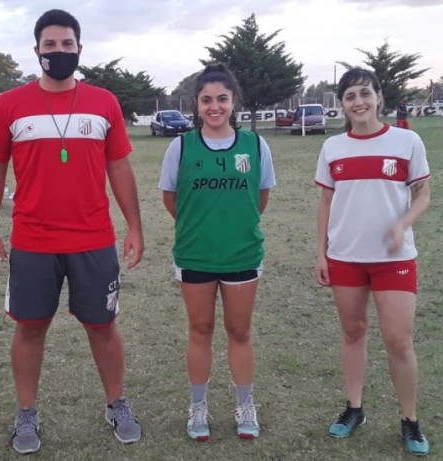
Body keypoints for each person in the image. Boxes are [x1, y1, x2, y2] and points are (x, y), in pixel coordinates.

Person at [0, 9, 145, 454]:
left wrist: (134, 226)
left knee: (103, 325)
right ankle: (26, 412)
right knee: (30, 328)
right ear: (36, 50)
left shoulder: (104, 102)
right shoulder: (10, 105)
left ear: (79, 48)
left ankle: (117, 403)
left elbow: (119, 167)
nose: (59, 51)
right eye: (50, 44)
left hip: (93, 239)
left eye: (67, 43)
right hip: (33, 242)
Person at [314, 68, 431, 456]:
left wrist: (402, 224)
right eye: (350, 96)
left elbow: (423, 195)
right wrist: (321, 253)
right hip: (345, 257)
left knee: (399, 340)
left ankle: (410, 420)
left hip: (394, 260)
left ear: (379, 97)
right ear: (342, 105)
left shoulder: (406, 141)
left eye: (365, 93)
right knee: (353, 332)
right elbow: (326, 202)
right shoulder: (333, 147)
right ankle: (354, 408)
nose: (358, 102)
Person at [159, 64, 275, 442]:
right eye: (206, 100)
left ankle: (245, 405)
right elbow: (171, 199)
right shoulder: (181, 146)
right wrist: (201, 225)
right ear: (196, 104)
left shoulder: (255, 145)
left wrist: (233, 224)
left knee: (239, 331)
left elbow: (260, 198)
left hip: (242, 255)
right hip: (195, 255)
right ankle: (198, 407)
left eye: (221, 99)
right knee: (200, 329)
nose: (214, 107)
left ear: (233, 102)